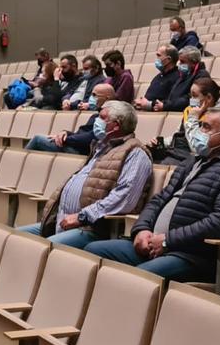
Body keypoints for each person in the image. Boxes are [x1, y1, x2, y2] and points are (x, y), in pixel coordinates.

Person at [85, 108, 220, 282]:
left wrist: (168, 240)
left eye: (206, 127)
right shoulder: (192, 162)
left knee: (137, 279)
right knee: (92, 252)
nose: (199, 131)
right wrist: (142, 229)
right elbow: (160, 199)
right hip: (157, 245)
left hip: (192, 256)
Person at [16, 101, 153, 249]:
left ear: (116, 125)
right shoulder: (101, 147)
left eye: (101, 117)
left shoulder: (135, 153)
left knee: (36, 248)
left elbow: (125, 198)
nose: (96, 121)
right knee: (14, 237)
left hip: (90, 228)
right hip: (63, 222)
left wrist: (83, 217)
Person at [156, 77, 220, 165]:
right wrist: (161, 143)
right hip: (178, 153)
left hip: (195, 159)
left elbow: (198, 147)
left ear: (208, 98)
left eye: (195, 96)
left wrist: (193, 118)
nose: (191, 100)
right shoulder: (190, 111)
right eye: (191, 96)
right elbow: (180, 136)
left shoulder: (217, 119)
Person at [26, 83, 115, 154]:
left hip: (80, 151)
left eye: (94, 95)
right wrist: (66, 133)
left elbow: (91, 137)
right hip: (75, 144)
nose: (91, 98)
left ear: (107, 98)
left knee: (38, 139)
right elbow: (82, 134)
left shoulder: (109, 116)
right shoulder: (97, 114)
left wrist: (66, 139)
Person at [163, 46, 209, 112]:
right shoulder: (185, 74)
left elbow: (192, 99)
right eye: (179, 61)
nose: (179, 64)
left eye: (183, 61)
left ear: (194, 62)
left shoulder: (202, 75)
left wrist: (166, 106)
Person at [136, 45, 182, 111]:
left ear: (168, 59)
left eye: (159, 55)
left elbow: (171, 101)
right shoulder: (158, 76)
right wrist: (140, 102)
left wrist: (149, 104)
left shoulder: (177, 77)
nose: (156, 58)